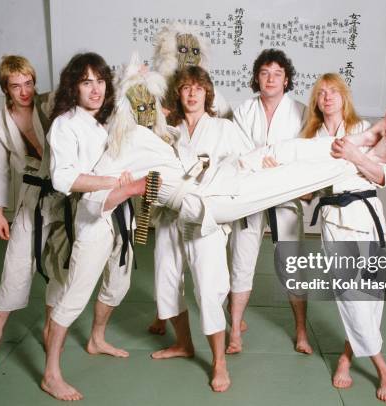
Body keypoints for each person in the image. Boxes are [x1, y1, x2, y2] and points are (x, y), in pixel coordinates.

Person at [41, 52, 145, 401]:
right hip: (88, 216)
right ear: (74, 86)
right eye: (87, 82)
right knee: (74, 295)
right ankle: (51, 373)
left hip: (121, 212)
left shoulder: (106, 122)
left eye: (100, 80)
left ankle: (97, 338)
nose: (96, 88)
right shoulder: (65, 124)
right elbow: (63, 178)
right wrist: (114, 182)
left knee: (119, 282)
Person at [149, 66, 250, 392]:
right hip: (170, 216)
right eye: (185, 88)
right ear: (178, 94)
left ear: (208, 93)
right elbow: (153, 172)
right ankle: (183, 343)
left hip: (205, 220)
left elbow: (243, 165)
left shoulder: (223, 128)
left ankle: (219, 362)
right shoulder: (168, 130)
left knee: (208, 288)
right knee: (166, 280)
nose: (192, 93)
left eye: (198, 88)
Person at [302, 73, 386, 403]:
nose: (327, 97)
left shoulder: (363, 129)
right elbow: (307, 192)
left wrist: (357, 156)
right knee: (351, 297)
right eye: (321, 93)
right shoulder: (311, 137)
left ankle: (345, 357)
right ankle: (383, 367)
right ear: (315, 101)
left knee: (370, 297)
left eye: (334, 92)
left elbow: (381, 175)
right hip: (334, 221)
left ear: (345, 97)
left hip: (367, 217)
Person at [148, 21, 234, 335]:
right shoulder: (159, 97)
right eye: (181, 50)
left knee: (210, 282)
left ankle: (223, 338)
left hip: (205, 209)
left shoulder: (219, 120)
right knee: (166, 274)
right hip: (171, 204)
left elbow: (241, 158)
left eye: (193, 50)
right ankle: (174, 330)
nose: (187, 55)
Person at [0, 55, 64, 364]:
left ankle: (50, 329)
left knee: (61, 265)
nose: (24, 91)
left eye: (28, 84)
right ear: (5, 88)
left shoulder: (52, 106)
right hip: (32, 196)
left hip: (66, 194)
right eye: (16, 86)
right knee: (16, 263)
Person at [227, 48, 308, 355]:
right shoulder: (243, 111)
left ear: (286, 80)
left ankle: (301, 331)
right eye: (264, 72)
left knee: (293, 264)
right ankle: (235, 330)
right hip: (249, 195)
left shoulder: (300, 112)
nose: (270, 79)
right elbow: (238, 154)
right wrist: (264, 164)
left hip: (285, 194)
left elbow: (302, 154)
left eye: (277, 73)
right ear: (256, 78)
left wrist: (279, 170)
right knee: (241, 262)